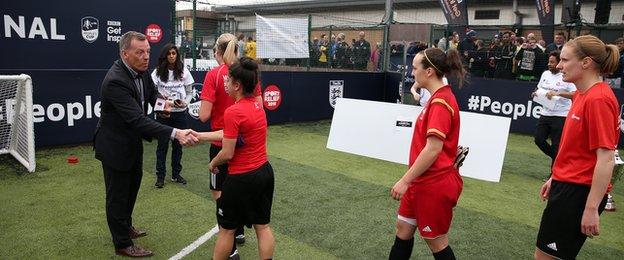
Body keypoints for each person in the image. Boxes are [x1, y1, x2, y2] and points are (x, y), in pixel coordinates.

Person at [94, 31, 202, 257]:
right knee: (117, 195)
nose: (145, 57)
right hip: (114, 146)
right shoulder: (115, 80)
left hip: (132, 142)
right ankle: (122, 243)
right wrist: (175, 133)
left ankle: (126, 227)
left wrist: (168, 105)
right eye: (139, 52)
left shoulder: (142, 73)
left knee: (132, 187)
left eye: (148, 52)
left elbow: (153, 98)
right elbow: (137, 119)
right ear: (125, 54)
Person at [534, 35, 621, 260]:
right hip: (567, 188)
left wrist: (591, 208)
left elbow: (606, 158)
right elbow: (577, 150)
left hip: (577, 194)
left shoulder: (598, 99)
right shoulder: (582, 94)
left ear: (586, 62)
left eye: (564, 60)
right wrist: (557, 177)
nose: (559, 66)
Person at [389, 48, 466, 260]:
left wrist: (405, 180)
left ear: (429, 71)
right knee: (403, 229)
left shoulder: (441, 101)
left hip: (433, 184)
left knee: (437, 242)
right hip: (421, 181)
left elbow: (433, 149)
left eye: (415, 68)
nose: (412, 73)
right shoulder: (437, 98)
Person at [199, 33, 262, 259]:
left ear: (217, 51)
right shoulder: (248, 72)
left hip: (222, 144)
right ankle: (239, 232)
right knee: (241, 190)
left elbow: (204, 115)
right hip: (246, 148)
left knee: (220, 193)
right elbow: (259, 108)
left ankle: (231, 244)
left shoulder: (214, 75)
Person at [210, 57, 275, 260]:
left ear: (237, 85)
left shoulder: (233, 112)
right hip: (264, 173)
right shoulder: (258, 108)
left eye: (228, 81)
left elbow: (227, 153)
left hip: (241, 178)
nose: (226, 84)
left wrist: (212, 163)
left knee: (227, 230)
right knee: (262, 227)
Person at [151, 43, 195, 188]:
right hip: (164, 115)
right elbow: (152, 94)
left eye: (174, 53)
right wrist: (164, 104)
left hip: (180, 114)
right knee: (162, 146)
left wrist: (185, 104)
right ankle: (160, 177)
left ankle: (176, 174)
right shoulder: (157, 72)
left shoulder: (183, 71)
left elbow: (189, 92)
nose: (171, 56)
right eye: (169, 53)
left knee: (178, 146)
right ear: (165, 56)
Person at [531, 51, 576, 180]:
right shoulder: (545, 74)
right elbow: (539, 88)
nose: (549, 64)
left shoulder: (566, 76)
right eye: (549, 62)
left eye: (552, 62)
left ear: (559, 63)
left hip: (561, 114)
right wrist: (535, 93)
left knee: (557, 145)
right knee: (538, 139)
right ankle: (558, 158)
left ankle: (554, 174)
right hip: (545, 112)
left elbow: (574, 94)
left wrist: (558, 93)